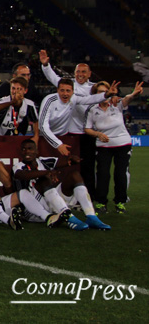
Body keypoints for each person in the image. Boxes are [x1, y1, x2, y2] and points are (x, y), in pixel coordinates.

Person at [13, 139, 111, 231]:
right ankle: (69, 217)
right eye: (24, 149)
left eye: (30, 149)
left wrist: (71, 159)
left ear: (36, 151)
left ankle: (91, 216)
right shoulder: (18, 166)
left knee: (75, 175)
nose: (26, 152)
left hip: (52, 202)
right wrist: (46, 173)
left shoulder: (43, 161)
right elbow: (21, 174)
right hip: (34, 210)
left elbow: (64, 161)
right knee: (44, 180)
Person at [39, 49, 97, 194]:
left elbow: (97, 98)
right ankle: (67, 193)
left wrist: (109, 95)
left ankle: (88, 195)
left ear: (89, 74)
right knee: (69, 166)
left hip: (88, 133)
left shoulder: (93, 89)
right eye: (78, 72)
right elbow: (52, 77)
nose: (80, 74)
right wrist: (46, 65)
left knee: (88, 167)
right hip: (70, 133)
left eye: (84, 72)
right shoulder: (69, 85)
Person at [85, 81, 143, 214]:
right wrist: (98, 134)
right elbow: (87, 128)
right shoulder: (92, 109)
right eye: (99, 92)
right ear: (95, 95)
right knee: (103, 174)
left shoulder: (116, 104)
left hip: (123, 144)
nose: (103, 94)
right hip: (103, 146)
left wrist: (134, 93)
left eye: (105, 91)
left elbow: (127, 99)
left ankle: (120, 202)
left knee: (120, 174)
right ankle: (101, 202)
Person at [38, 78, 117, 156]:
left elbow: (89, 99)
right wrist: (58, 144)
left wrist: (106, 94)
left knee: (65, 166)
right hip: (46, 137)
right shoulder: (49, 100)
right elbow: (42, 126)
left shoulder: (74, 98)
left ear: (73, 92)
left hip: (64, 136)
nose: (65, 94)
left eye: (68, 91)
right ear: (57, 90)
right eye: (62, 90)